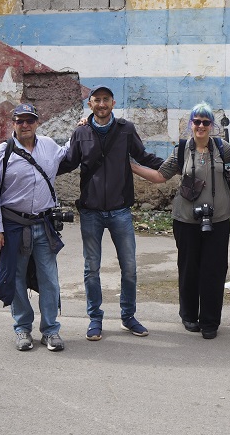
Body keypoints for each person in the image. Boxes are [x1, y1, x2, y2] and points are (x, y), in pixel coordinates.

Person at [58, 86, 164, 341]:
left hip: (120, 211)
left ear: (113, 103)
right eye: (97, 100)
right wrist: (36, 171)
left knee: (129, 267)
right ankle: (95, 318)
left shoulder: (126, 129)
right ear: (90, 104)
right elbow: (67, 161)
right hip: (91, 211)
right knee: (91, 269)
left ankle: (128, 317)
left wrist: (174, 166)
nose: (102, 104)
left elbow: (142, 156)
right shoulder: (81, 131)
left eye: (106, 100)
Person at [131, 103, 230, 339]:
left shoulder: (224, 149)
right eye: (196, 121)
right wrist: (131, 166)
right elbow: (159, 176)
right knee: (189, 268)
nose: (200, 126)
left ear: (212, 126)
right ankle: (189, 316)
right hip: (186, 220)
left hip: (217, 220)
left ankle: (210, 322)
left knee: (214, 271)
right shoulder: (182, 150)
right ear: (191, 124)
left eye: (205, 122)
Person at [0, 103, 69, 352]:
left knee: (49, 279)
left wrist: (82, 128)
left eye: (29, 120)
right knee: (17, 278)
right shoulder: (3, 151)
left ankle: (51, 330)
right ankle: (22, 328)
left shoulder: (48, 145)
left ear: (37, 122)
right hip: (14, 226)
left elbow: (68, 152)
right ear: (13, 123)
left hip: (43, 224)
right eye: (20, 121)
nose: (25, 125)